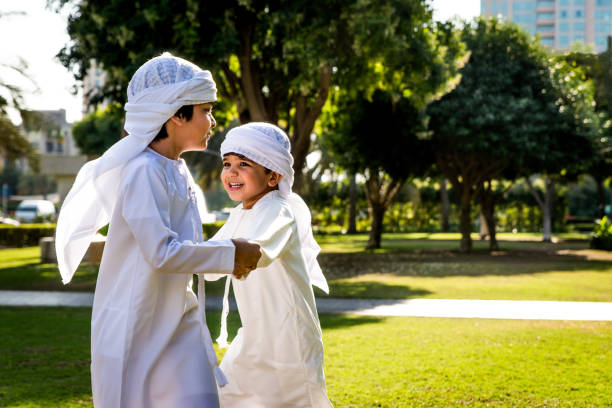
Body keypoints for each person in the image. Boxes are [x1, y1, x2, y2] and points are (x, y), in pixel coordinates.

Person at [54, 53, 261, 408]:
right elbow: (163, 252)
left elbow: (188, 249)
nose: (212, 120)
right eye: (206, 110)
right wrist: (232, 254)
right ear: (177, 115)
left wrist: (233, 256)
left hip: (179, 322)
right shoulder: (142, 171)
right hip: (135, 328)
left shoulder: (177, 170)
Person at [205, 122, 333, 407]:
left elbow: (260, 250)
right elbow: (209, 262)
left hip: (289, 341)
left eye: (244, 164)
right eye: (227, 163)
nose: (231, 172)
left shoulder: (280, 210)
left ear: (273, 176)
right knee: (225, 397)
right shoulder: (240, 213)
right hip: (254, 335)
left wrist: (241, 257)